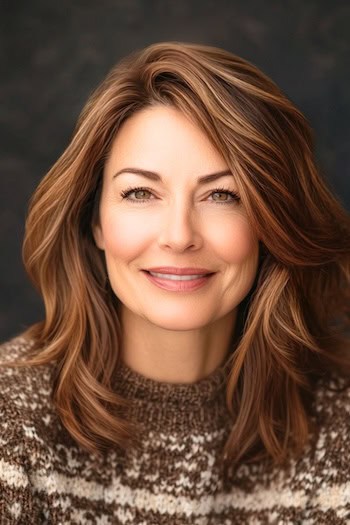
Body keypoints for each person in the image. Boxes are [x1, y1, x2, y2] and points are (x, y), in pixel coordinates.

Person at [0, 41, 349, 524]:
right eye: (141, 192)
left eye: (223, 195)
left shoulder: (340, 426)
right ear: (94, 220)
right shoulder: (10, 427)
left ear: (272, 222)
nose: (179, 236)